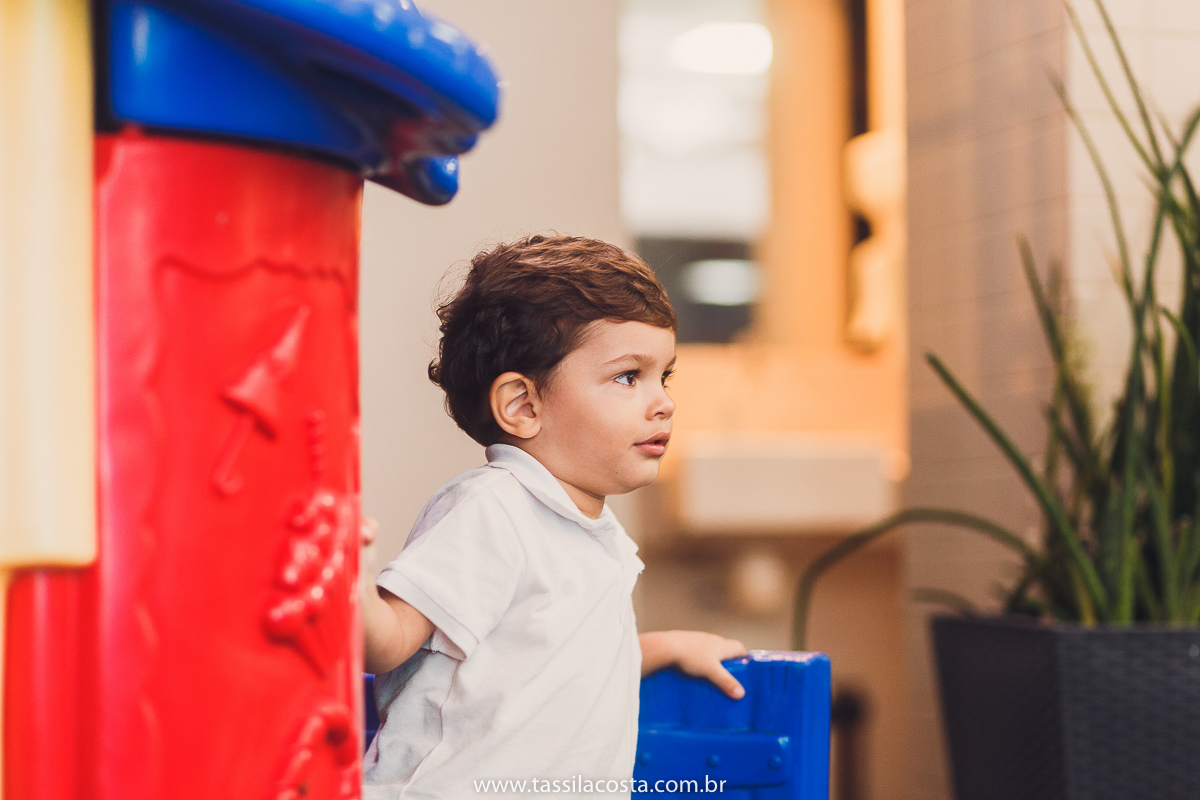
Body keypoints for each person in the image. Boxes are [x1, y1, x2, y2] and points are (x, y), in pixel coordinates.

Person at [361, 235, 747, 799]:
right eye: (627, 376)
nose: (662, 401)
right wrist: (343, 578)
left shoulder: (586, 529)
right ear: (523, 405)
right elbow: (389, 641)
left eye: (662, 377)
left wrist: (661, 649)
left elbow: (546, 664)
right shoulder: (494, 508)